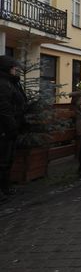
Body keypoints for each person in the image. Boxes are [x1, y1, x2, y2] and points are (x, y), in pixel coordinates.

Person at [0, 56, 27, 201]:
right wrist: (11, 128)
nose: (16, 69)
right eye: (13, 67)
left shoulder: (11, 82)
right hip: (4, 129)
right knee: (3, 160)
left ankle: (5, 188)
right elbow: (4, 109)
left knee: (7, 159)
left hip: (10, 127)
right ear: (7, 68)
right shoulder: (3, 84)